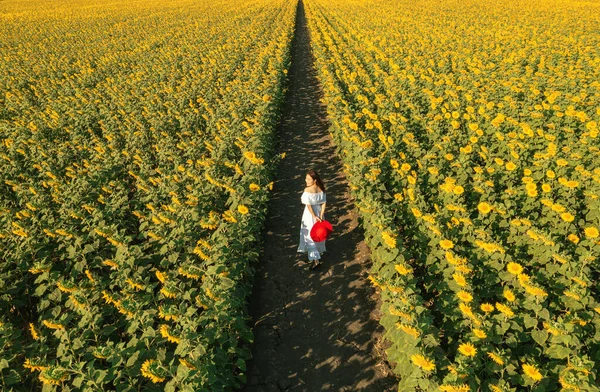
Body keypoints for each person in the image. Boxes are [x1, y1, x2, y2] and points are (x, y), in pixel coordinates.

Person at [297, 169, 327, 269]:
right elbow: (324, 203)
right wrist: (321, 215)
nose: (306, 181)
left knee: (309, 234)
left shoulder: (307, 190)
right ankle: (315, 256)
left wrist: (314, 216)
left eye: (308, 179)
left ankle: (315, 260)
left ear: (314, 180)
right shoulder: (321, 188)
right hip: (319, 213)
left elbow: (308, 205)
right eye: (306, 178)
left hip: (310, 215)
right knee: (318, 234)